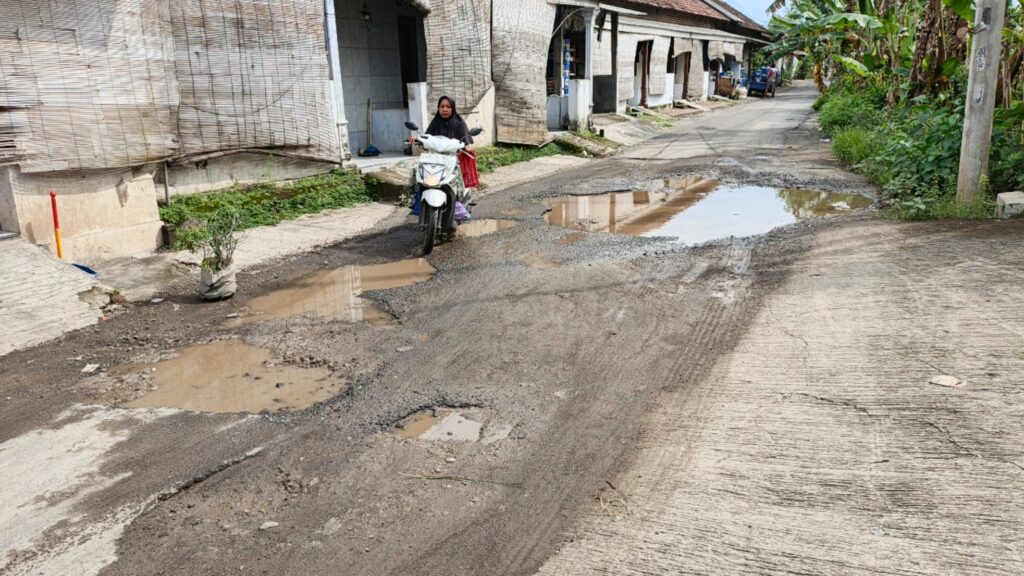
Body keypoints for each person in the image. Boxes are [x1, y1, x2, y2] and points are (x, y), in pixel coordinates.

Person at [410, 96, 474, 149]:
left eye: (448, 107)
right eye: (442, 106)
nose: (445, 109)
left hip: (456, 158)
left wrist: (466, 147)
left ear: (453, 108)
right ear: (438, 108)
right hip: (438, 157)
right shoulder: (435, 122)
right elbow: (428, 137)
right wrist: (418, 138)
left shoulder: (459, 123)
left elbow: (466, 142)